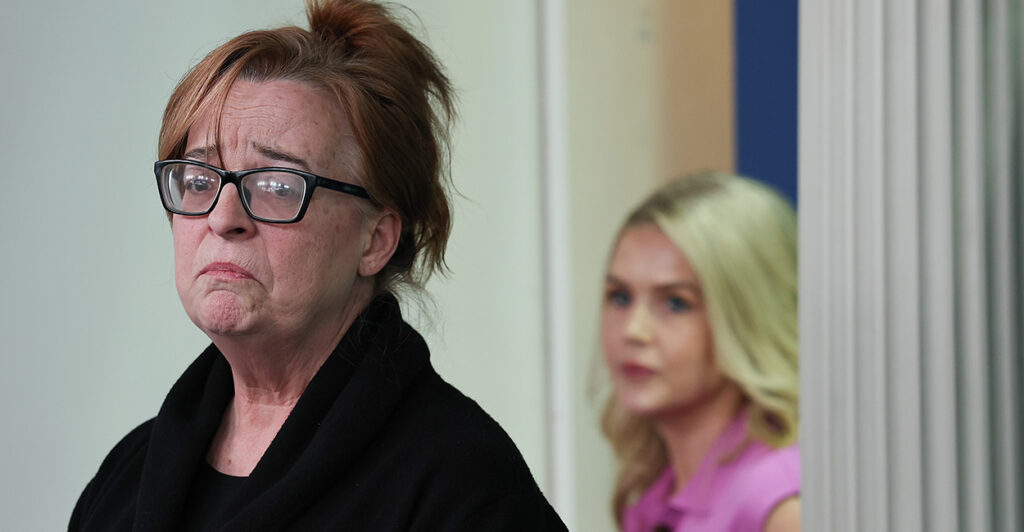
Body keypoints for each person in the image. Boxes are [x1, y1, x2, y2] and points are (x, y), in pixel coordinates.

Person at [69, 1, 565, 530]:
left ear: (375, 240)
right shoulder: (127, 476)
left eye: (279, 186)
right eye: (198, 180)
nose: (223, 216)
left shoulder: (463, 487)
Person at [600, 172, 799, 532]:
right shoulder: (653, 491)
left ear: (748, 316)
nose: (633, 330)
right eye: (620, 297)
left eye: (675, 302)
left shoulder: (780, 504)